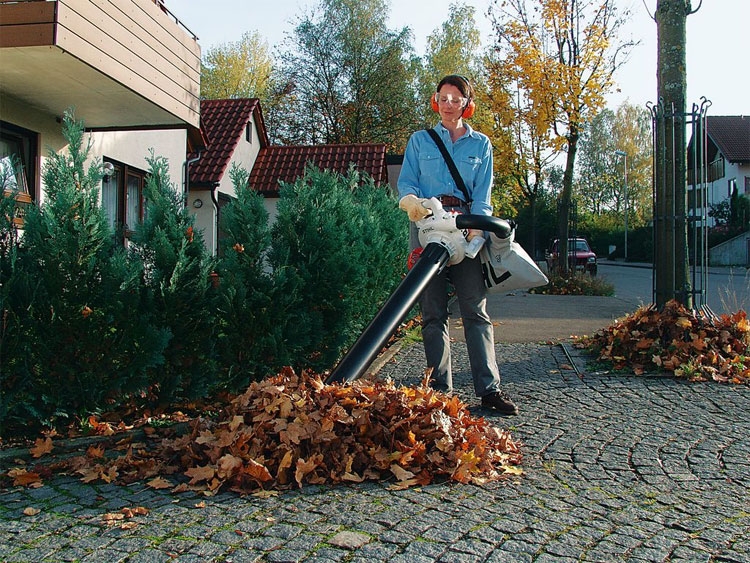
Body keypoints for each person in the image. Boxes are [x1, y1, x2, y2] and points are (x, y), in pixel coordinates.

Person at [396, 74, 517, 416]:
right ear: (436, 101)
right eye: (444, 98)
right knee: (433, 312)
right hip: (427, 227)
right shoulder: (420, 141)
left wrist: (477, 234)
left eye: (456, 99)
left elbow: (483, 196)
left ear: (467, 104)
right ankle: (439, 391)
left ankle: (489, 390)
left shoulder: (481, 145)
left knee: (474, 311)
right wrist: (411, 204)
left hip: (464, 228)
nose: (449, 104)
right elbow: (406, 183)